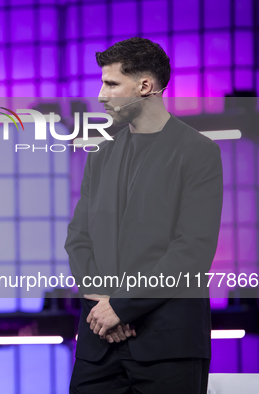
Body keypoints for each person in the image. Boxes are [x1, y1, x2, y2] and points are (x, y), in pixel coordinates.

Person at [65, 37, 223, 393]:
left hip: (167, 344)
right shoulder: (100, 157)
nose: (101, 94)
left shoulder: (198, 152)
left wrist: (122, 306)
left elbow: (192, 250)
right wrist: (107, 306)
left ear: (145, 86)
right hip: (99, 342)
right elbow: (78, 239)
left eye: (111, 83)